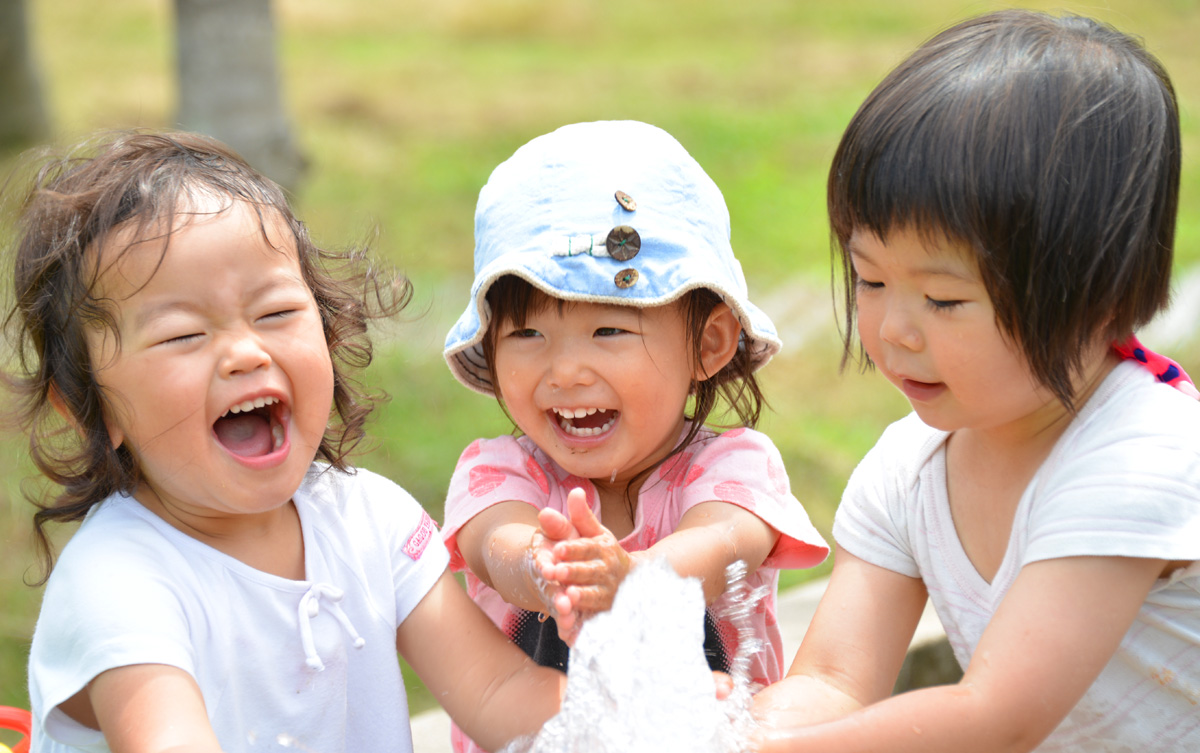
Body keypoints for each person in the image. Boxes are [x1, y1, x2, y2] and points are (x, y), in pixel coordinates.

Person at [5, 131, 566, 753]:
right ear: (91, 408)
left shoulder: (368, 520)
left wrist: (667, 706)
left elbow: (497, 696)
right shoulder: (119, 583)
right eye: (182, 335)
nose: (245, 352)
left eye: (275, 313)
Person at [751, 9, 1200, 752]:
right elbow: (832, 680)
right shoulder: (911, 468)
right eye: (869, 278)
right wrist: (732, 731)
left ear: (1100, 295)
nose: (895, 327)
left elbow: (997, 716)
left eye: (944, 299)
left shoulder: (1145, 455)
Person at [441, 120, 830, 753]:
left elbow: (726, 541)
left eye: (609, 333)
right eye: (527, 335)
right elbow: (496, 546)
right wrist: (550, 569)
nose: (564, 371)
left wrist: (634, 578)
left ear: (707, 343)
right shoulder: (500, 471)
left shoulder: (733, 467)